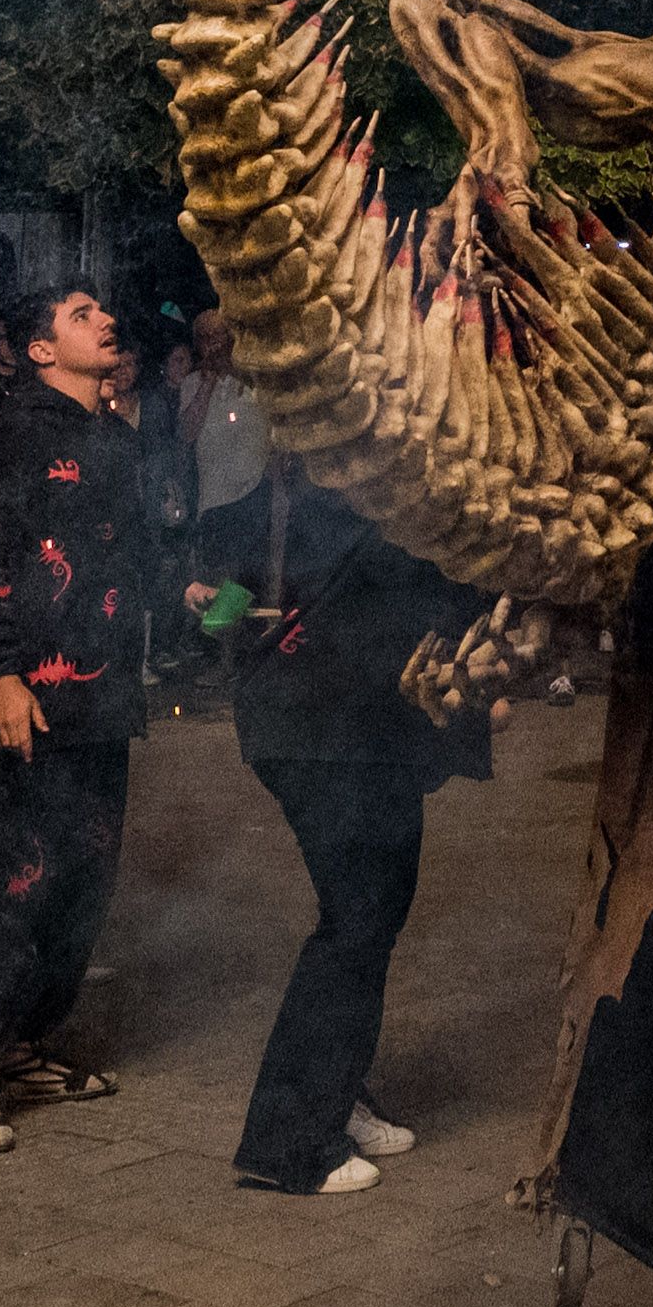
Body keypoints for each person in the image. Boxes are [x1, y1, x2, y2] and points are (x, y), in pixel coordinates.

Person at [186, 442, 495, 1194]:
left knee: (374, 911)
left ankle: (338, 1090)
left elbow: (239, 599)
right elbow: (241, 598)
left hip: (357, 731)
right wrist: (214, 605)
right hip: (321, 733)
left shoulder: (355, 488)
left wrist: (216, 606)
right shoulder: (349, 485)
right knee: (356, 919)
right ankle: (287, 1141)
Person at [0, 288, 149, 1158]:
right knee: (5, 880)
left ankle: (26, 1045)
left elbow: (136, 562)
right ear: (39, 349)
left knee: (80, 879)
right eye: (79, 312)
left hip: (102, 700)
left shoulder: (118, 440)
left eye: (104, 309)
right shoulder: (9, 437)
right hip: (24, 696)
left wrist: (196, 605)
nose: (104, 320)